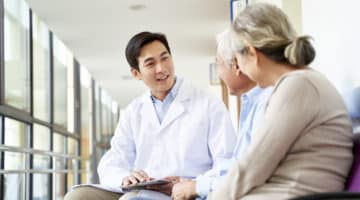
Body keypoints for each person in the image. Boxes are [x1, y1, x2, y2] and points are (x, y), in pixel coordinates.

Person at [65, 31, 237, 200]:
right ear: (136, 73)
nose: (161, 68)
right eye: (150, 64)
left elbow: (227, 162)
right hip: (145, 190)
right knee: (78, 196)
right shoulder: (134, 111)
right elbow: (113, 160)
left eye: (165, 58)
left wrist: (194, 184)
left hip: (188, 191)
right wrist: (125, 177)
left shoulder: (209, 104)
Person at [207, 3, 353, 200]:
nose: (238, 67)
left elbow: (253, 164)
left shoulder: (298, 85)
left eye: (237, 59)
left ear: (251, 53)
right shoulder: (298, 83)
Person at [171, 29, 273, 199]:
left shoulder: (266, 103)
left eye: (218, 64)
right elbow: (237, 164)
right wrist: (195, 182)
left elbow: (252, 174)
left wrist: (197, 187)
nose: (218, 73)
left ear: (236, 65)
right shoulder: (251, 103)